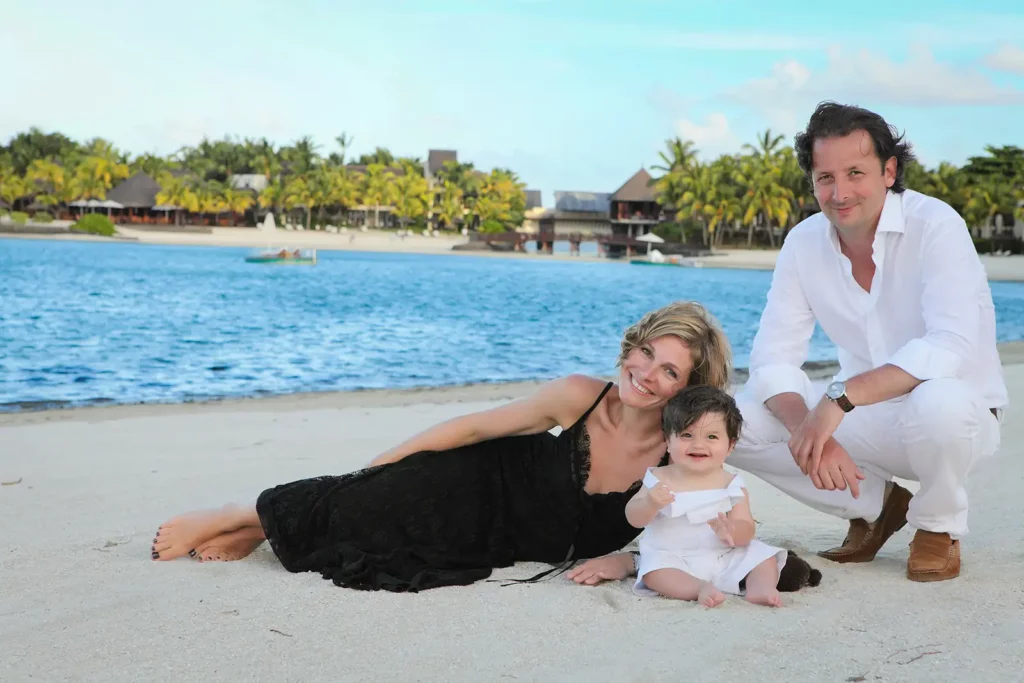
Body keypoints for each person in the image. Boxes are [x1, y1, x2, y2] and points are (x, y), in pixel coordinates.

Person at [151, 301, 773, 592]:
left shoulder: (685, 452)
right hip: (477, 483)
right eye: (647, 354)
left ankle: (260, 528)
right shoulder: (581, 394)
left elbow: (708, 536)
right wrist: (385, 464)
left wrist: (622, 563)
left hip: (498, 543)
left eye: (670, 372)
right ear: (632, 345)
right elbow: (478, 429)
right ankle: (241, 514)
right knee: (367, 504)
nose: (647, 374)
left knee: (377, 546)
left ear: (689, 389)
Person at [720, 101, 1007, 583]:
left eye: (856, 172)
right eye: (825, 177)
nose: (840, 192)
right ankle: (878, 505)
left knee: (938, 399)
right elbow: (773, 356)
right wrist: (806, 427)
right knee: (727, 421)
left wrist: (837, 401)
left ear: (889, 170)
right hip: (866, 418)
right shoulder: (803, 243)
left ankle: (937, 525)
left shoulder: (936, 225)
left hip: (959, 419)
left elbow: (949, 345)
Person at [626, 385, 788, 608]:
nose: (698, 444)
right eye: (686, 435)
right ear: (668, 441)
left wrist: (733, 531)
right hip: (672, 559)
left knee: (763, 556)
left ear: (730, 445)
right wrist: (650, 503)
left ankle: (760, 587)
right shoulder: (659, 477)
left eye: (712, 436)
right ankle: (698, 588)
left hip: (723, 556)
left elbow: (747, 526)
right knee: (654, 573)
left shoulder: (731, 484)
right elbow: (633, 516)